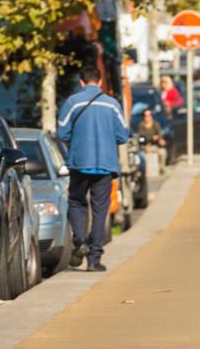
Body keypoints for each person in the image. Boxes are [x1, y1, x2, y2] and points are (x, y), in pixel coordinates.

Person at [57, 66, 129, 271]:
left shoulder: (72, 102)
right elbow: (123, 135)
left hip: (80, 162)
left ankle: (80, 241)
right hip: (105, 165)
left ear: (81, 82)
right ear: (99, 82)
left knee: (76, 202)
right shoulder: (113, 104)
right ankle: (94, 260)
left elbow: (62, 133)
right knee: (100, 210)